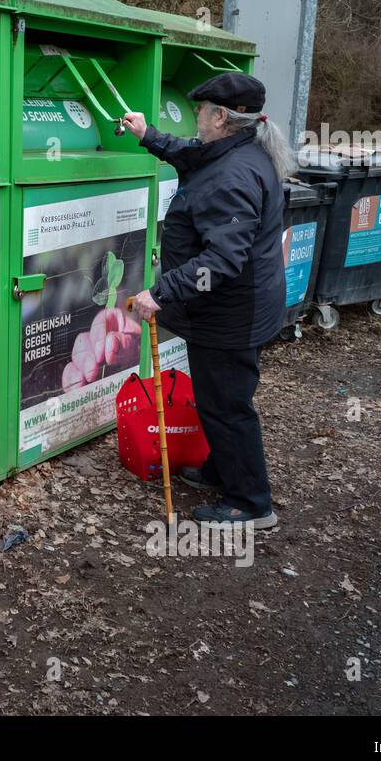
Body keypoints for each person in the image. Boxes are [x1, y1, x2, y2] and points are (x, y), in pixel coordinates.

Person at [121, 72, 291, 529]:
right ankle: (224, 469)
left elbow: (221, 262)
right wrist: (147, 135)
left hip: (231, 314)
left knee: (227, 404)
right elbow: (192, 155)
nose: (193, 113)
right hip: (239, 308)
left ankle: (251, 503)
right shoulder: (237, 151)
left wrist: (160, 293)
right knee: (223, 396)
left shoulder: (232, 176)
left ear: (220, 117)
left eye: (200, 109)